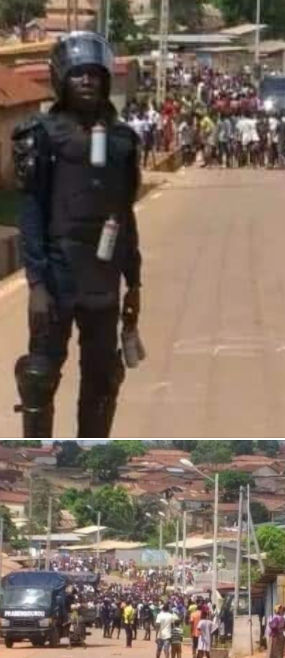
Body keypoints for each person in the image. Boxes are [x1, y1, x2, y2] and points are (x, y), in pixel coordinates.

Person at [11, 31, 142, 438]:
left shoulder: (118, 141)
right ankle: (36, 456)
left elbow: (124, 214)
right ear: (61, 79)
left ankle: (90, 457)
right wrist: (36, 282)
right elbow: (31, 210)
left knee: (102, 381)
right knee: (40, 375)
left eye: (94, 74)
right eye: (77, 75)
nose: (87, 81)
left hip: (103, 278)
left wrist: (134, 283)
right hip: (57, 275)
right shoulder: (43, 135)